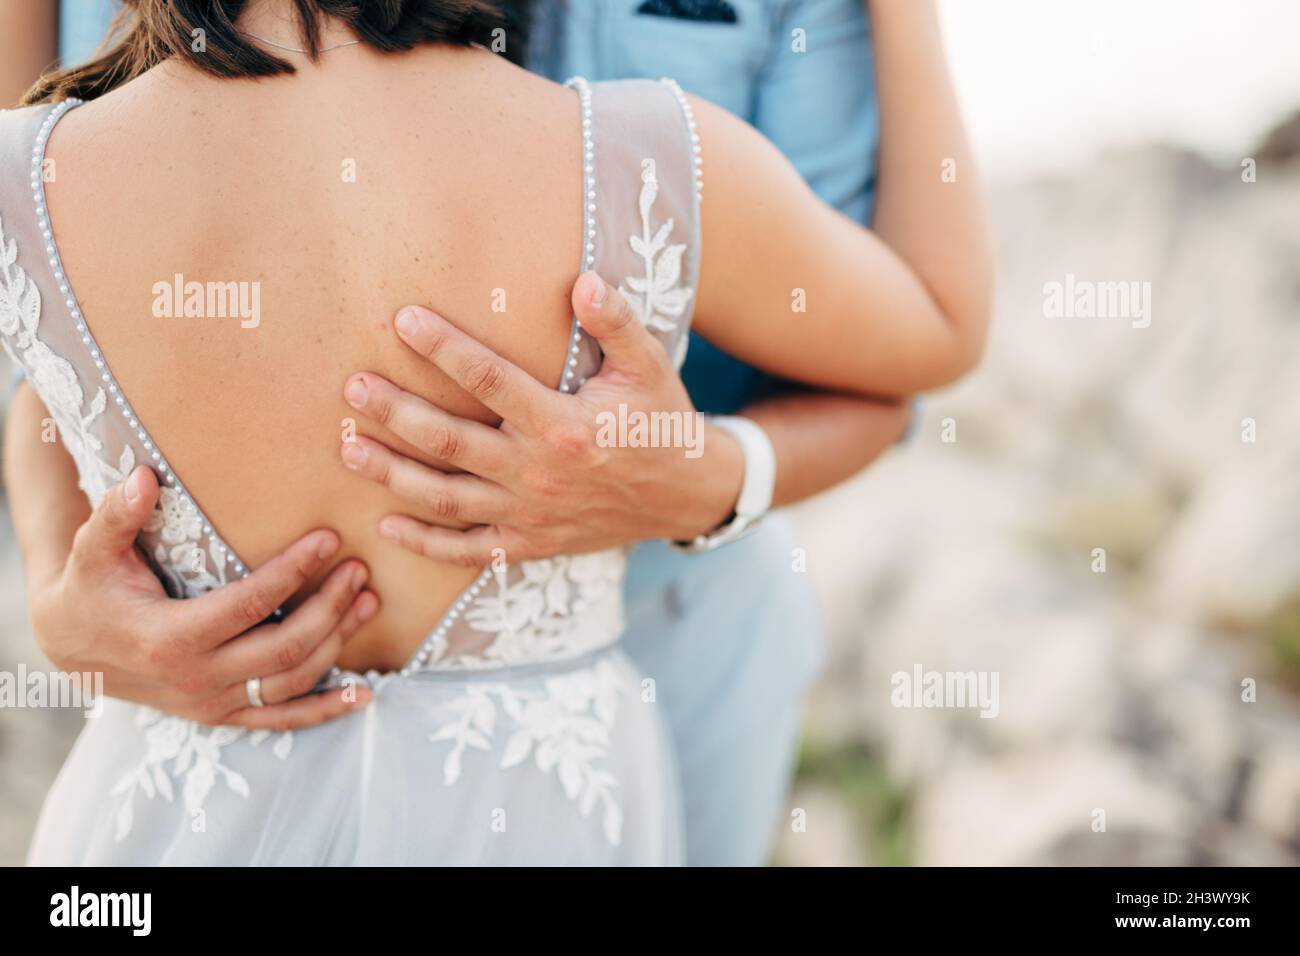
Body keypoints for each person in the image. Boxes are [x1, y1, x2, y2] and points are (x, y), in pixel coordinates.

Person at [4, 0, 991, 864]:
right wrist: (60, 593)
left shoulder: (25, 168)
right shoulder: (658, 153)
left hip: (687, 622)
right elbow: (929, 331)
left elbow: (49, 313)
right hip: (556, 786)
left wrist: (708, 474)